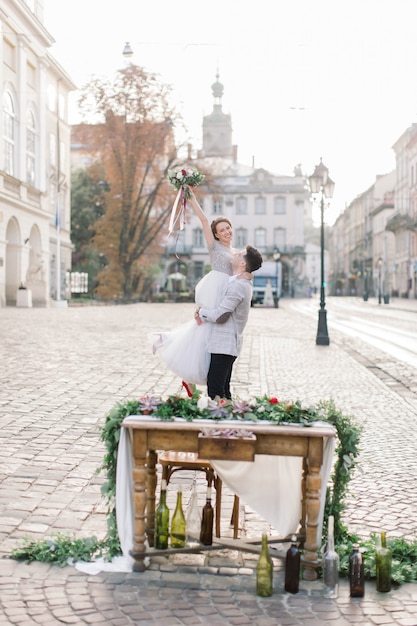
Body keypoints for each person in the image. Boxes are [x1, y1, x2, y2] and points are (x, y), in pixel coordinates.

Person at [152, 190, 236, 392]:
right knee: (204, 331)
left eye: (228, 228)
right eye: (222, 230)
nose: (226, 232)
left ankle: (202, 379)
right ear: (216, 235)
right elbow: (205, 220)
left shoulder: (235, 252)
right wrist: (191, 198)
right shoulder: (215, 248)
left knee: (208, 336)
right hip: (216, 290)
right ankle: (168, 342)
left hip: (226, 292)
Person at [196, 245, 263, 400]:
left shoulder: (239, 286)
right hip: (225, 345)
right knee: (222, 391)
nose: (235, 253)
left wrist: (201, 312)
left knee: (216, 392)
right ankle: (227, 420)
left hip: (224, 345)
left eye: (240, 254)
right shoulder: (238, 282)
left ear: (243, 264)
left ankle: (220, 421)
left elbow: (221, 315)